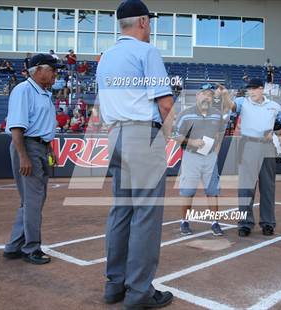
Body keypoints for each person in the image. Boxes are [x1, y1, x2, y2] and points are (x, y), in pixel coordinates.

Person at [96, 0, 174, 308]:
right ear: (142, 22)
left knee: (122, 211)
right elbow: (165, 105)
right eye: (150, 21)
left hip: (115, 134)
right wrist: (166, 138)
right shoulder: (146, 52)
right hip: (142, 135)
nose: (151, 26)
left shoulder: (106, 57)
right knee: (145, 216)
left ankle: (114, 285)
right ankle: (139, 292)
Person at [3, 54, 64, 264]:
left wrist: (49, 150)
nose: (57, 73)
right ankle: (31, 248)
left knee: (30, 201)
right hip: (27, 146)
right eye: (53, 69)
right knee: (33, 201)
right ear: (38, 70)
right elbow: (17, 127)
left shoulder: (44, 92)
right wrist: (24, 157)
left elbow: (41, 127)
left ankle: (13, 246)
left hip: (39, 147)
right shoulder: (24, 90)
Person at [225, 78, 281, 237]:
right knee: (246, 187)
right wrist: (224, 96)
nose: (250, 91)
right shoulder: (242, 101)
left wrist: (276, 135)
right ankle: (245, 223)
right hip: (248, 144)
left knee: (268, 187)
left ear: (261, 89)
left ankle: (268, 223)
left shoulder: (274, 106)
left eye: (253, 88)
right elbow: (232, 106)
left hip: (267, 146)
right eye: (249, 89)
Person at [172, 84, 228, 236]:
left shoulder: (217, 114)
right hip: (191, 157)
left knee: (212, 192)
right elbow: (175, 135)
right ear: (197, 96)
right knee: (188, 192)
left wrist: (215, 152)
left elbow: (221, 133)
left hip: (209, 157)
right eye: (203, 94)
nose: (206, 97)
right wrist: (192, 142)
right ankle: (184, 222)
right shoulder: (186, 114)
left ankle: (215, 223)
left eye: (209, 95)